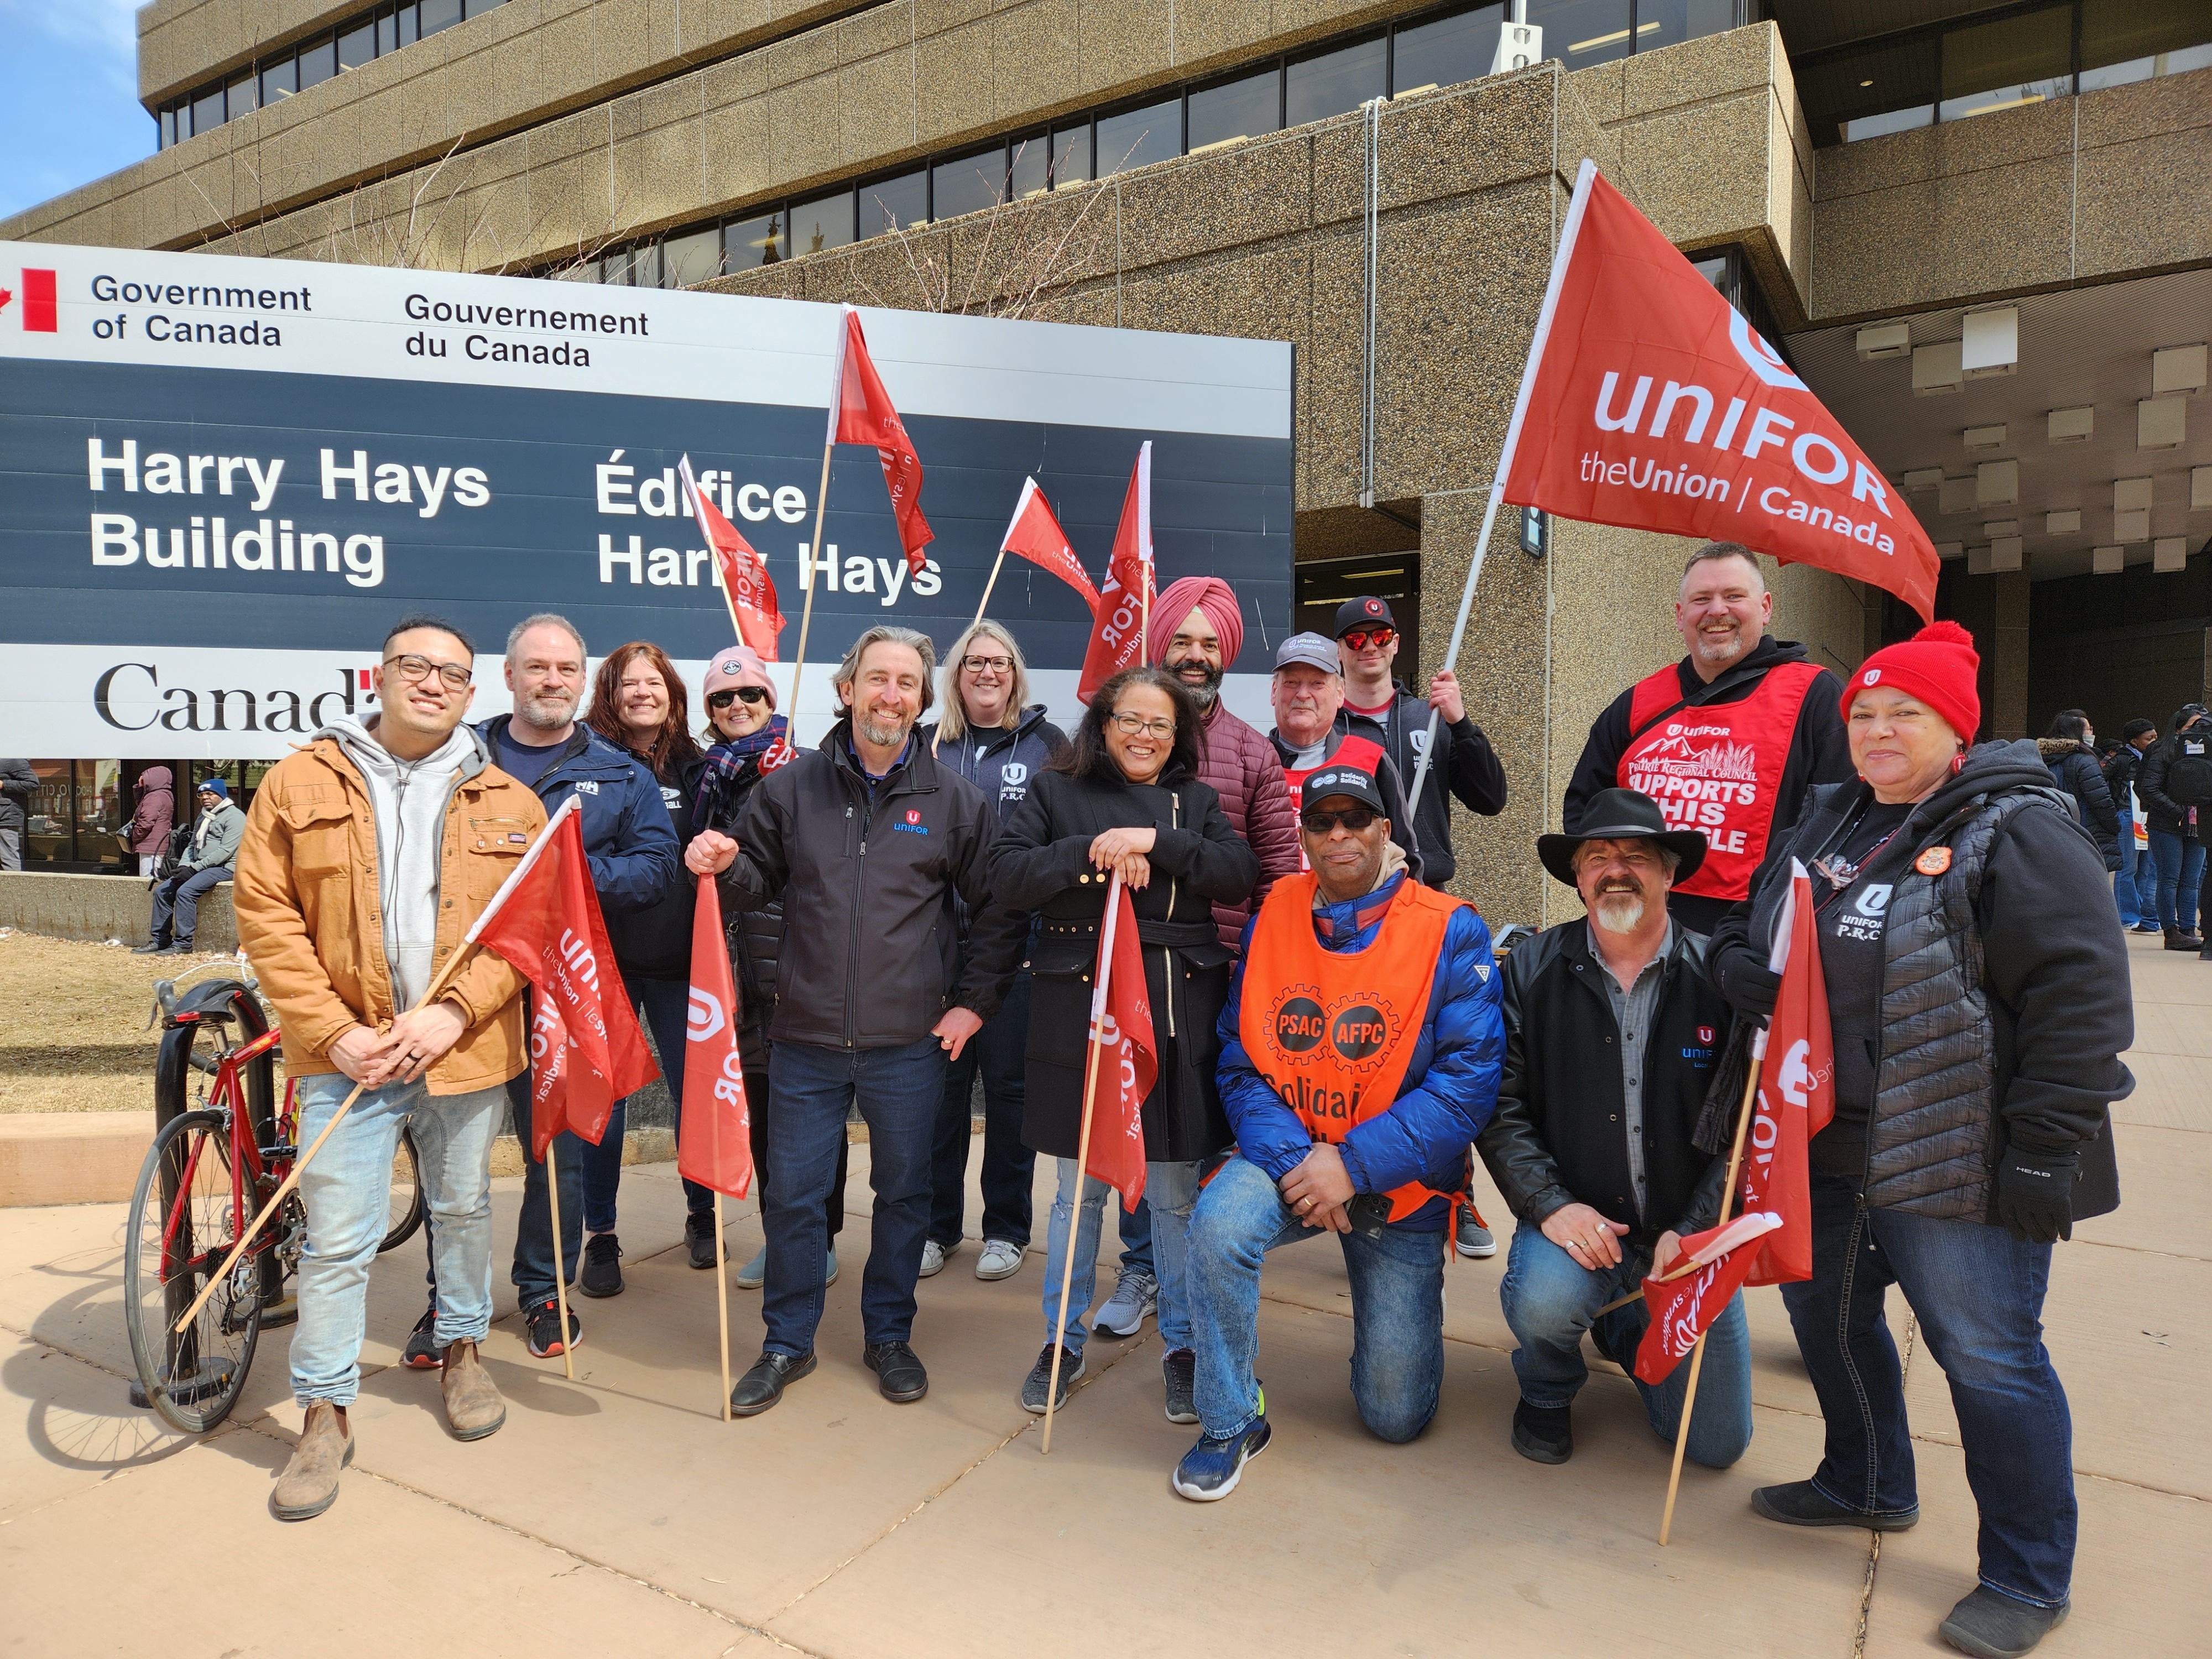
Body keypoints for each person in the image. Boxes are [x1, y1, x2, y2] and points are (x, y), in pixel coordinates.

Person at [1708, 620, 2130, 1659]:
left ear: (1958, 727)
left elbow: (2080, 1002)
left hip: (1955, 1154)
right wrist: (1738, 967)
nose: (1878, 730)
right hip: (1823, 1145)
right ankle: (1865, 1482)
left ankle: (2028, 1578)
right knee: (1833, 1324)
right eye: (1864, 712)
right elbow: (1751, 922)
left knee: (1988, 1358)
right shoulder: (1832, 813)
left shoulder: (2019, 827)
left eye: (1906, 712)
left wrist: (2043, 1151)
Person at [231, 614, 544, 1521]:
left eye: (452, 672)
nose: (434, 682)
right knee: (337, 1239)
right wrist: (333, 1033)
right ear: (381, 674)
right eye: (417, 665)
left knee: (463, 1207)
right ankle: (325, 1413)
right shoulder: (298, 782)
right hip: (351, 1057)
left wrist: (452, 1011)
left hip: (462, 1051)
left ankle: (463, 1354)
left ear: (472, 693)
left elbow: (526, 931)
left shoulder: (509, 803)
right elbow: (266, 915)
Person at [688, 625, 1022, 1417]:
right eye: (877, 679)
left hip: (909, 1045)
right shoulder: (789, 789)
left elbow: (998, 910)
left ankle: (888, 1335)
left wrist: (974, 1004)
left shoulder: (955, 802)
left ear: (922, 699)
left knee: (905, 1196)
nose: (891, 696)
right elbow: (752, 885)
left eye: (907, 683)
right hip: (802, 1040)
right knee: (795, 1199)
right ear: (846, 690)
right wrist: (718, 863)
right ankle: (787, 1342)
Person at [1172, 763, 1500, 1500]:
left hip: (1399, 1188)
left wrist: (1349, 1167)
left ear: (1386, 832)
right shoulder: (1276, 912)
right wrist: (1305, 1169)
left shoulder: (1453, 927)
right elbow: (1239, 1060)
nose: (1339, 834)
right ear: (1303, 836)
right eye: (1322, 822)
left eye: (1357, 820)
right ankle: (1230, 1418)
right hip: (1289, 1160)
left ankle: (1388, 1323)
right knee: (1218, 1225)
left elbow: (1465, 1091)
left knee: (1396, 1415)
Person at [400, 615, 679, 1368]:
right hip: (463, 999)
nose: (551, 680)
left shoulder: (625, 774)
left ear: (582, 681)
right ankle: (449, 1300)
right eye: (536, 668)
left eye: (565, 669)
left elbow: (658, 870)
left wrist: (564, 878)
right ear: (510, 677)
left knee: (555, 1157)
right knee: (454, 1166)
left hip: (566, 1002)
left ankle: (543, 1288)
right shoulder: (452, 756)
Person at [989, 665, 1259, 1418]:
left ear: (1180, 737)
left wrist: (1156, 840)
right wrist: (1096, 848)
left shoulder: (1196, 803)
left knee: (1174, 1195)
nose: (1144, 735)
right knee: (1079, 1192)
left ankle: (1180, 1344)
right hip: (1085, 1016)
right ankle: (1061, 1341)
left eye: (1161, 725)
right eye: (1130, 720)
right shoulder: (1052, 792)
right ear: (1103, 724)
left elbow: (1238, 874)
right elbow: (1007, 877)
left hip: (1175, 1015)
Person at [1478, 789, 1749, 1470]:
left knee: (1714, 1444)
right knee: (1544, 1302)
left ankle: (1624, 1323)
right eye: (1597, 856)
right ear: (1577, 877)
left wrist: (1692, 1231)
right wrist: (1551, 1205)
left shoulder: (1719, 977)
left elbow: (1748, 1129)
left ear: (1669, 873)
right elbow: (1499, 1107)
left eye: (1635, 856)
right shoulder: (1530, 973)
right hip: (1576, 1224)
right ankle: (1547, 1386)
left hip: (1686, 1233)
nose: (1615, 869)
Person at [1094, 577, 1300, 1343]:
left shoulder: (1251, 752)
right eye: (1181, 640)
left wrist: (1258, 970)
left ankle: (1200, 1272)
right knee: (1132, 1123)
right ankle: (1143, 1267)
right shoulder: (1122, 745)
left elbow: (1278, 870)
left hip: (1218, 977)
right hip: (1127, 972)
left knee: (1196, 1140)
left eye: (1209, 643)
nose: (1194, 655)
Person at [1565, 541, 1851, 932]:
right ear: (1680, 615)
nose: (1717, 611)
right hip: (1638, 935)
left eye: (1734, 596)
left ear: (1765, 608)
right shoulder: (1637, 703)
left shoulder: (1815, 696)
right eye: (1702, 599)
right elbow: (1584, 810)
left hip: (1757, 938)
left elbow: (1843, 819)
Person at [690, 646, 849, 1288]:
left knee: (812, 1122)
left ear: (771, 701)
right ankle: (779, 1237)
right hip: (731, 976)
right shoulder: (706, 779)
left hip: (797, 969)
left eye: (749, 695)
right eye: (722, 700)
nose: (737, 707)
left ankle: (824, 1237)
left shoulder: (809, 771)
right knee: (757, 1119)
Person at [917, 619, 1066, 1283]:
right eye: (974, 661)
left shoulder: (1047, 745)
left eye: (999, 662)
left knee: (1009, 1093)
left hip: (1020, 953)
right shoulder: (927, 745)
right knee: (940, 1094)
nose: (986, 672)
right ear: (956, 673)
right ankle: (936, 1227)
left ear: (1015, 672)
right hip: (935, 952)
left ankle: (1006, 1227)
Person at [573, 640, 707, 1297]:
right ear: (610, 693)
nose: (642, 693)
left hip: (684, 962)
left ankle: (702, 1212)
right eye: (628, 684)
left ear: (672, 692)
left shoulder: (700, 766)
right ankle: (601, 1234)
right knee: (607, 1102)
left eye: (653, 682)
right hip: (607, 962)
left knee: (695, 1096)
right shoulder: (587, 762)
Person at [1332, 594, 1507, 888]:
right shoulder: (1329, 730)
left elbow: (1490, 800)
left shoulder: (1432, 720)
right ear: (1339, 651)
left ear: (1396, 643)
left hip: (1427, 887)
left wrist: (1462, 725)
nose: (1371, 646)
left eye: (1381, 636)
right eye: (1356, 640)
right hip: (1354, 890)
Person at [1265, 632, 1420, 872]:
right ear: (1274, 691)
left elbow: (1405, 859)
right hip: (1270, 908)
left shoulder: (1371, 762)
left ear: (1340, 693)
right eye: (1291, 683)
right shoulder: (1248, 760)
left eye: (1318, 683)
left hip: (1354, 910)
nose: (1303, 694)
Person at [137, 779, 245, 955]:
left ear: (221, 795)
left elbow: (225, 851)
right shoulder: (204, 816)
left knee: (185, 892)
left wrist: (194, 869)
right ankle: (160, 940)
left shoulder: (235, 817)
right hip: (199, 866)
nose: (205, 798)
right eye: (201, 795)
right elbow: (192, 845)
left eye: (210, 794)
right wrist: (184, 866)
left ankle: (183, 943)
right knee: (162, 892)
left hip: (225, 867)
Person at [2135, 703, 2211, 951]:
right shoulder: (2163, 750)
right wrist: (2177, 812)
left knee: (2191, 881)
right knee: (2169, 878)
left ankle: (2189, 929)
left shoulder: (2205, 751)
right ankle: (2171, 931)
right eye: (2193, 726)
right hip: (2167, 823)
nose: (2199, 731)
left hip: (2198, 823)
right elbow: (2148, 788)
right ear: (2179, 728)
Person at [2038, 711, 2119, 875]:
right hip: (2084, 829)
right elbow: (2100, 800)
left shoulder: (2038, 757)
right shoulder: (2084, 760)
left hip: (2047, 827)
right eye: (2088, 730)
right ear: (2078, 733)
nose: (2092, 734)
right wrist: (2115, 826)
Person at [2103, 718, 2159, 933]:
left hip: (2146, 816)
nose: (2154, 741)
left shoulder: (2152, 758)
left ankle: (2144, 914)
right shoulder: (2122, 760)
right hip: (2127, 814)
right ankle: (2127, 915)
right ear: (2135, 741)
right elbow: (2102, 781)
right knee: (2128, 868)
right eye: (2149, 738)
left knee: (2145, 868)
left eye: (2155, 737)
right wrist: (2115, 805)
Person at [127, 765, 175, 878]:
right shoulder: (163, 794)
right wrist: (140, 788)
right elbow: (142, 805)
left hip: (151, 847)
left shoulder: (154, 797)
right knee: (154, 880)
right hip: (157, 844)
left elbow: (146, 821)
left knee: (148, 882)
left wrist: (134, 836)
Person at [0, 758, 32, 871]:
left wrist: (4, 784)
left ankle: (14, 887)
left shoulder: (13, 760)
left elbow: (32, 783)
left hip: (5, 817)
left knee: (9, 857)